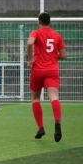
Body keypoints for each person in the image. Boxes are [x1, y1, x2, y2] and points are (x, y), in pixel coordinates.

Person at [27, 12, 66, 142]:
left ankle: (41, 127)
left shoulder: (35, 33)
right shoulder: (57, 35)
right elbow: (63, 55)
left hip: (38, 69)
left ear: (39, 22)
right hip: (52, 70)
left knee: (36, 99)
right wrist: (53, 56)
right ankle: (57, 122)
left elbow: (29, 43)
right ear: (50, 22)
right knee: (54, 97)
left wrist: (30, 59)